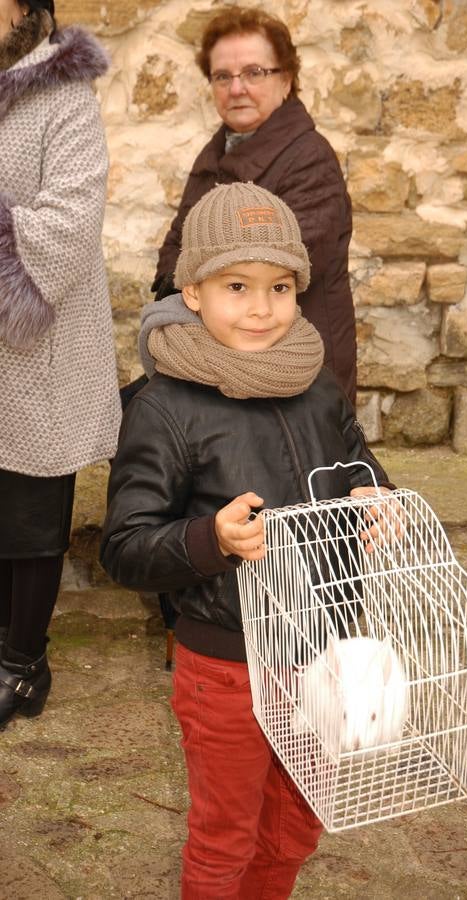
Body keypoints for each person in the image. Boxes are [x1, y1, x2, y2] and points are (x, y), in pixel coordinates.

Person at [100, 182, 392, 899]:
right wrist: (211, 538)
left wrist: (376, 496)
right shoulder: (163, 407)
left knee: (296, 820)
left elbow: (356, 461)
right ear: (193, 292)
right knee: (225, 833)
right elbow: (127, 546)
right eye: (238, 285)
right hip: (227, 667)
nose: (262, 307)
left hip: (325, 653)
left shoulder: (317, 383)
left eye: (281, 287)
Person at [0, 0, 121, 728]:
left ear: (33, 11)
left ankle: (24, 662)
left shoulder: (65, 101)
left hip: (39, 352)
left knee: (33, 515)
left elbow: (70, 224)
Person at [150, 5, 357, 404]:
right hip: (227, 358)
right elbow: (175, 246)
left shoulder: (310, 159)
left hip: (292, 365)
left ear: (287, 80)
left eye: (254, 72)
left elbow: (276, 264)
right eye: (222, 76)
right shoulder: (214, 154)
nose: (236, 87)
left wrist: (201, 283)